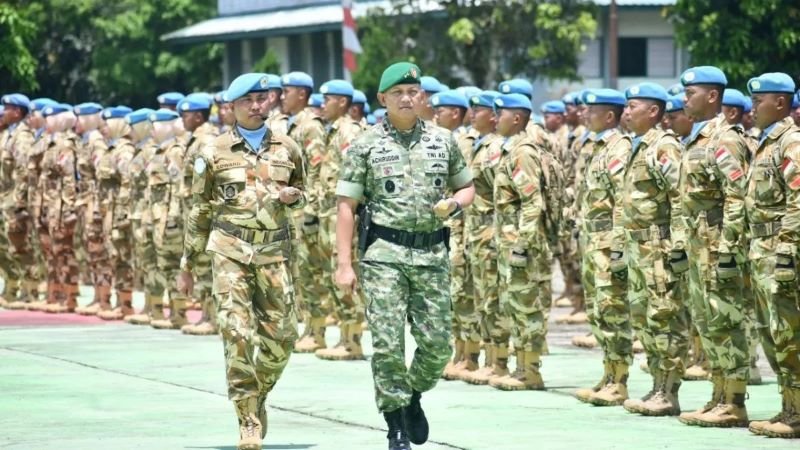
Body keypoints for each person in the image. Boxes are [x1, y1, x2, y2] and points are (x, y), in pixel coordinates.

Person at [335, 62, 474, 449]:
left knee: (438, 346)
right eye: (398, 93)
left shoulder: (443, 141)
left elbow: (467, 188)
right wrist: (345, 264)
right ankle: (395, 423)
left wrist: (455, 204)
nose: (407, 98)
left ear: (423, 97)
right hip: (383, 256)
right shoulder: (365, 145)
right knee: (387, 343)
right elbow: (347, 205)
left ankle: (411, 394)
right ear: (383, 99)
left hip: (431, 253)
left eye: (413, 92)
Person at [178, 73, 305, 450]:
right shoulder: (212, 152)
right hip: (230, 251)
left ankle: (260, 392)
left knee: (283, 338)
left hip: (274, 251)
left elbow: (306, 194)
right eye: (247, 100)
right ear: (231, 107)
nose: (256, 105)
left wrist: (293, 197)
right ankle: (247, 417)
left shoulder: (288, 147)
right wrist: (188, 263)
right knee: (236, 331)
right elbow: (199, 210)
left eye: (262, 98)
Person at [677, 66, 751, 428]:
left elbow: (737, 197)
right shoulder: (698, 138)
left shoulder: (725, 139)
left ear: (711, 96)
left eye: (690, 93)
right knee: (707, 322)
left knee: (726, 321)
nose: (683, 99)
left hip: (717, 245)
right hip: (698, 244)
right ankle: (718, 395)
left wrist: (728, 249)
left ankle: (735, 400)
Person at [619, 83, 689, 415]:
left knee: (664, 317)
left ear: (653, 112)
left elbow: (679, 199)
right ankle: (656, 386)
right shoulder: (636, 146)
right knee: (643, 319)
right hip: (637, 247)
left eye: (633, 106)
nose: (627, 111)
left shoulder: (664, 147)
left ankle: (669, 391)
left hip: (658, 247)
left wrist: (676, 247)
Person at [745, 72, 800, 439]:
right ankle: (788, 407)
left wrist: (786, 251)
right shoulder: (767, 142)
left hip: (780, 253)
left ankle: (796, 413)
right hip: (760, 251)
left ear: (779, 103)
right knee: (771, 334)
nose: (752, 108)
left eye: (758, 101)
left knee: (789, 334)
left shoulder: (790, 142)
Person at [572, 89, 634, 405]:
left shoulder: (618, 149)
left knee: (613, 310)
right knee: (598, 311)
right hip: (593, 241)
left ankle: (620, 380)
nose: (585, 114)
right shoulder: (598, 147)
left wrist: (619, 248)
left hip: (609, 243)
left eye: (591, 110)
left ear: (610, 116)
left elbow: (622, 201)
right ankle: (608, 375)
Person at [430, 90, 480, 381]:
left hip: (467, 227)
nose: (436, 115)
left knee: (466, 292)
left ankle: (470, 354)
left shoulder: (464, 142)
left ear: (457, 113)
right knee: (455, 294)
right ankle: (461, 353)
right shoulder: (442, 141)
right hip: (451, 227)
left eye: (443, 110)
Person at [279, 71, 331, 353]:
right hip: (294, 209)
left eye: (287, 91)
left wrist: (311, 209)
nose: (282, 97)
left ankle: (318, 330)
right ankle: (310, 327)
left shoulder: (310, 127)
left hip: (307, 211)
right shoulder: (292, 125)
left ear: (301, 94)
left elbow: (318, 170)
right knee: (301, 272)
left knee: (312, 271)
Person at [316, 79, 366, 361]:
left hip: (347, 214)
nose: (323, 104)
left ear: (343, 102)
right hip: (331, 214)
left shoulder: (349, 131)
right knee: (334, 272)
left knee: (348, 275)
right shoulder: (333, 130)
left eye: (328, 99)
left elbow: (354, 177)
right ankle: (345, 337)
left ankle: (353, 340)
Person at [177, 95, 219, 336]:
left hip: (205, 210)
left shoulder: (205, 140)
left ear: (199, 116)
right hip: (196, 208)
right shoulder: (195, 139)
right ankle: (206, 314)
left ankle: (211, 317)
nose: (183, 119)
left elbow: (208, 180)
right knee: (201, 264)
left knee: (206, 265)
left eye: (186, 114)